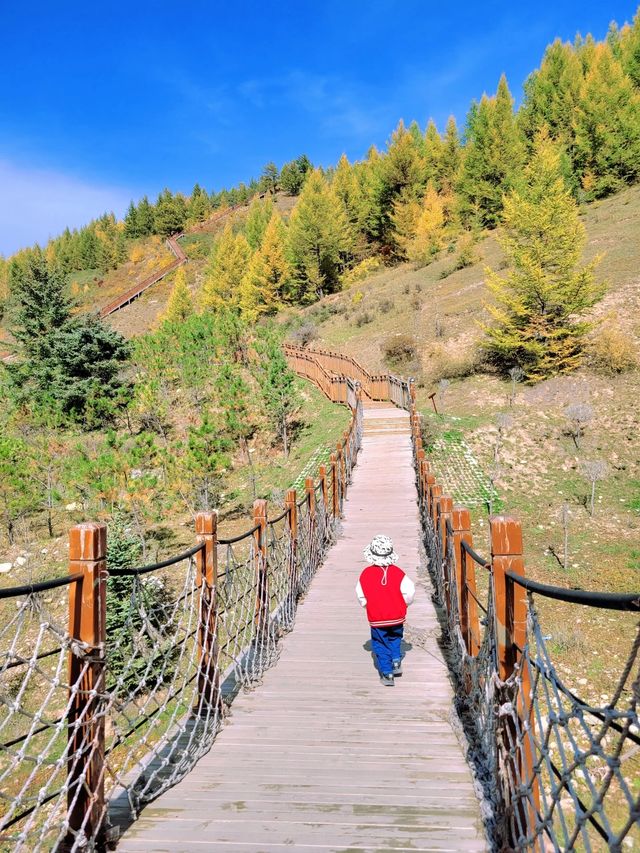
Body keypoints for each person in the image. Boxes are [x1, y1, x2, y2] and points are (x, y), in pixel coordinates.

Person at [355, 535, 415, 686]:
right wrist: (405, 604)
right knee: (395, 638)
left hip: (377, 617)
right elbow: (409, 592)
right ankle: (396, 661)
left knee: (380, 643)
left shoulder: (365, 574)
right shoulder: (399, 573)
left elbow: (361, 595)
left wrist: (367, 605)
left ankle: (387, 673)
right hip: (397, 616)